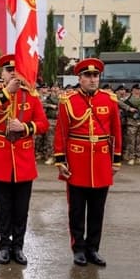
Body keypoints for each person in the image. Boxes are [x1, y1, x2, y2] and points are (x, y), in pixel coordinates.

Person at [0, 54, 49, 266]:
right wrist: (7, 92)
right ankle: (4, 246)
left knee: (21, 209)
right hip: (0, 159)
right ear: (2, 73)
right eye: (9, 71)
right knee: (3, 207)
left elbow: (43, 124)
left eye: (16, 71)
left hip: (23, 160)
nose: (13, 74)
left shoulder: (31, 96)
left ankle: (18, 246)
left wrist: (25, 127)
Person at [53, 58, 122, 267]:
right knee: (76, 210)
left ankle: (93, 248)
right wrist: (60, 160)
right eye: (88, 76)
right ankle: (78, 248)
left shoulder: (109, 99)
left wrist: (116, 160)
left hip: (101, 160)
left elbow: (116, 131)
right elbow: (61, 132)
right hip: (77, 160)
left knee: (97, 210)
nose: (92, 80)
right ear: (80, 78)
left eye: (95, 76)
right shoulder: (68, 100)